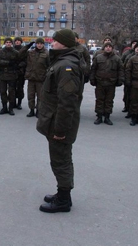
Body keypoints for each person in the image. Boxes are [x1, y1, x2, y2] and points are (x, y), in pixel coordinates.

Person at [36, 29, 84, 213]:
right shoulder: (62, 62)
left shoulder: (66, 66)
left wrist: (60, 130)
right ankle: (62, 194)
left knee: (61, 160)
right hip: (54, 120)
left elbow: (67, 103)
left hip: (59, 123)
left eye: (55, 40)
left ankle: (63, 200)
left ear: (63, 43)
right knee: (59, 159)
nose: (51, 42)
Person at [90, 42, 124, 125]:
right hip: (100, 82)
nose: (108, 48)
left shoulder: (117, 59)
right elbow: (93, 69)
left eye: (110, 47)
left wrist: (120, 80)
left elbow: (120, 70)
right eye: (106, 46)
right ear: (104, 48)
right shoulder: (98, 58)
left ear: (112, 48)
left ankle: (107, 117)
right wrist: (92, 79)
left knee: (109, 100)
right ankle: (99, 116)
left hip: (111, 83)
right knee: (99, 100)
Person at [19, 37, 50, 118]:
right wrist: (28, 46)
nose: (39, 45)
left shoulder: (46, 54)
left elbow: (49, 66)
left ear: (43, 44)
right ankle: (31, 110)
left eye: (41, 44)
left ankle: (38, 111)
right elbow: (20, 54)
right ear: (36, 44)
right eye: (38, 43)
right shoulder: (31, 52)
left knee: (40, 96)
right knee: (31, 95)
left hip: (41, 78)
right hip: (31, 78)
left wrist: (46, 75)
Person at [0, 37, 19, 115]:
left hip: (12, 74)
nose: (8, 43)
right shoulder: (1, 51)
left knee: (11, 92)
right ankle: (4, 107)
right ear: (4, 43)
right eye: (7, 42)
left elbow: (19, 61)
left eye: (9, 42)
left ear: (12, 43)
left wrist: (15, 65)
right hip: (2, 75)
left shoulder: (15, 52)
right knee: (2, 91)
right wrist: (8, 62)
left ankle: (11, 108)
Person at [121, 39, 138, 115]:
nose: (134, 45)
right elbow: (123, 65)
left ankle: (134, 111)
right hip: (129, 78)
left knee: (136, 97)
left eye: (136, 44)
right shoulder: (128, 55)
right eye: (133, 43)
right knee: (127, 94)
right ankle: (127, 107)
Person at [13, 37, 26, 110]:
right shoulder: (12, 49)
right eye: (16, 41)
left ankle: (19, 103)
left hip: (21, 72)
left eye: (19, 41)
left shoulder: (24, 50)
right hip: (12, 71)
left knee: (20, 87)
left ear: (21, 42)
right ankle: (13, 102)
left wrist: (20, 65)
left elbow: (26, 61)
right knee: (12, 88)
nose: (17, 42)